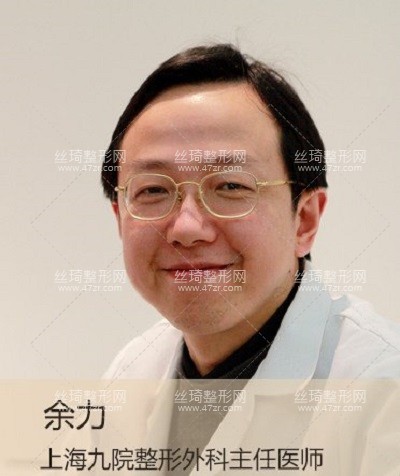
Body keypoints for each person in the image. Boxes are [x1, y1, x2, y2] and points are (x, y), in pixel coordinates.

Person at [99, 44, 400, 474]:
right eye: (153, 190)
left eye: (230, 186)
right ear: (120, 218)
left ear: (304, 220)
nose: (186, 227)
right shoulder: (130, 374)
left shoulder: (382, 392)